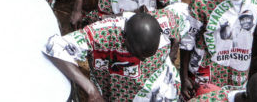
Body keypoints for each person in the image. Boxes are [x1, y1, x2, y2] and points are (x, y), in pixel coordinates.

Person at [45, 8, 189, 102]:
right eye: (138, 55)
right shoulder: (103, 33)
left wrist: (173, 50)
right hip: (116, 92)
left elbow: (181, 29)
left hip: (156, 91)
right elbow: (55, 46)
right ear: (124, 37)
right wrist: (91, 90)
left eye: (148, 55)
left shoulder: (167, 21)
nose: (143, 60)